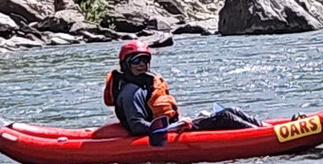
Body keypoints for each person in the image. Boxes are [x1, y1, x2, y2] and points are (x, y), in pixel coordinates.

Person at [104, 41, 262, 136]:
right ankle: (264, 137)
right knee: (226, 117)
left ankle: (267, 129)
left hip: (174, 126)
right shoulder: (131, 92)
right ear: (126, 64)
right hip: (167, 132)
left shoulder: (143, 84)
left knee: (231, 110)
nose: (142, 64)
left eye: (145, 60)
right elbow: (137, 127)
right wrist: (173, 128)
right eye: (136, 60)